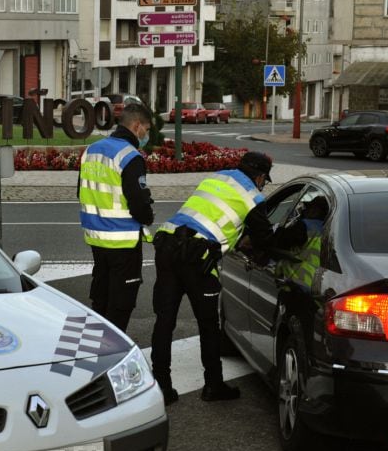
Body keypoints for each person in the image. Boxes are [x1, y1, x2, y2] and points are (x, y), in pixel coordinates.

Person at [149, 151, 276, 405]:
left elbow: (213, 217)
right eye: (265, 180)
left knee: (164, 321)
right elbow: (267, 240)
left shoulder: (218, 177)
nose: (263, 185)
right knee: (208, 326)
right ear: (260, 177)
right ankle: (213, 386)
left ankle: (161, 387)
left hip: (168, 245)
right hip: (197, 258)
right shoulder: (252, 197)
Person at [77, 102, 155, 332]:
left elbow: (79, 191)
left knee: (101, 297)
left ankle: (95, 346)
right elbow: (139, 204)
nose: (147, 135)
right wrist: (148, 216)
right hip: (123, 242)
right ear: (137, 125)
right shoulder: (130, 156)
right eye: (147, 130)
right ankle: (113, 353)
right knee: (121, 303)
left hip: (96, 238)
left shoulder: (92, 150)